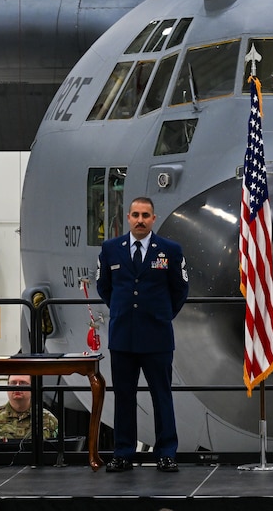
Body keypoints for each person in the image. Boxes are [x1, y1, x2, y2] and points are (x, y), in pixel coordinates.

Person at [96, 196, 189, 473]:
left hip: (157, 336)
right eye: (135, 215)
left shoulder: (170, 250)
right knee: (124, 396)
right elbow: (104, 287)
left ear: (153, 218)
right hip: (123, 337)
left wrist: (161, 315)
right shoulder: (111, 249)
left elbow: (180, 289)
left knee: (162, 396)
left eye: (145, 215)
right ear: (127, 218)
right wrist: (125, 312)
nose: (140, 220)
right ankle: (123, 453)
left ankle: (166, 453)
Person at [0, 375, 60, 442]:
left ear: (32, 388)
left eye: (23, 383)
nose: (17, 386)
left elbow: (61, 451)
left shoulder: (48, 418)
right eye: (13, 383)